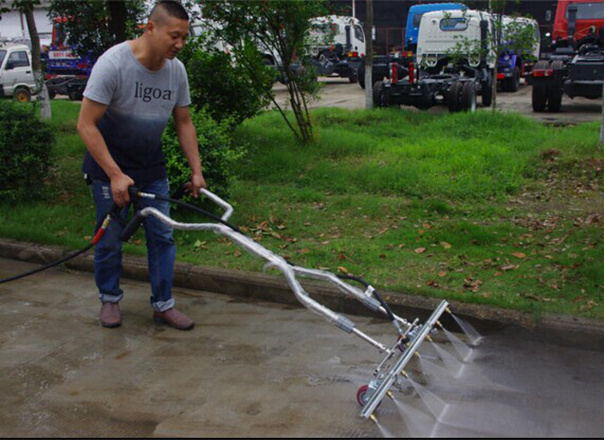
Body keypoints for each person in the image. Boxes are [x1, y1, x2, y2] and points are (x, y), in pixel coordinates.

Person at [77, 0, 205, 330]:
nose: (180, 44)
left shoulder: (176, 71)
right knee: (109, 237)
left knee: (162, 237)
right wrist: (116, 175)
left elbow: (184, 121)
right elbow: (86, 124)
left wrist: (196, 170)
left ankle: (163, 305)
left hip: (151, 168)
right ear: (150, 28)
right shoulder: (114, 64)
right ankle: (109, 299)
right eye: (174, 36)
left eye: (184, 38)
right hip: (110, 168)